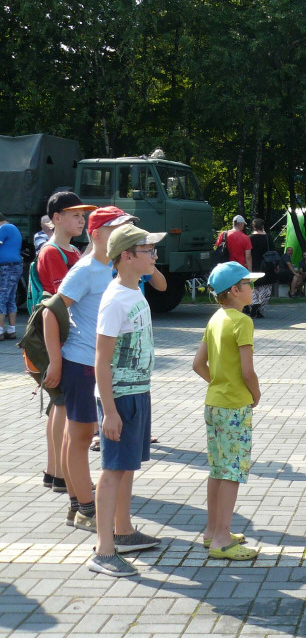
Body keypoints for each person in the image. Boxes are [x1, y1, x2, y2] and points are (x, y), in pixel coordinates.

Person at [46, 207, 138, 532]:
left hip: (101, 366)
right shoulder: (85, 270)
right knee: (81, 435)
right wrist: (56, 362)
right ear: (97, 236)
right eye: (117, 229)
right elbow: (50, 313)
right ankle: (84, 507)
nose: (125, 235)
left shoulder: (117, 268)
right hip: (81, 365)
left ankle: (78, 505)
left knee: (80, 435)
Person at [89, 224, 166, 577]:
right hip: (120, 397)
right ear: (127, 256)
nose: (154, 255)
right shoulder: (116, 299)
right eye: (148, 250)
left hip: (137, 391)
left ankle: (123, 531)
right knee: (112, 471)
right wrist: (109, 411)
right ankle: (104, 551)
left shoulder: (134, 290)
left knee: (127, 467)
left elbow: (160, 284)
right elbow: (101, 360)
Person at [191, 261, 263, 561]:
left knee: (218, 469)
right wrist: (255, 394)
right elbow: (248, 371)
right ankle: (222, 538)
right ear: (235, 291)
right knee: (232, 471)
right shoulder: (242, 322)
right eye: (249, 284)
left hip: (214, 402)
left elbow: (198, 364)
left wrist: (219, 383)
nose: (253, 289)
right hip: (234, 405)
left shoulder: (216, 318)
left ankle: (212, 531)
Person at [38, 192, 97, 493]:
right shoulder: (52, 253)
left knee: (58, 406)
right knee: (61, 406)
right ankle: (61, 474)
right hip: (57, 342)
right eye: (74, 214)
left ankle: (55, 471)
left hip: (64, 340)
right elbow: (62, 304)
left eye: (83, 215)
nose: (81, 219)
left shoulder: (71, 251)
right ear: (55, 218)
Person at [0, 212, 21, 342]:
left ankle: (0, 331)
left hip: (7, 267)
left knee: (1, 297)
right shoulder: (13, 227)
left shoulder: (4, 228)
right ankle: (11, 330)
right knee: (10, 298)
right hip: (15, 266)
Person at [249, 219, 270, 318]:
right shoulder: (267, 237)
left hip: (253, 265)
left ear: (253, 226)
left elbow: (248, 253)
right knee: (265, 288)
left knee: (254, 287)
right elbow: (273, 251)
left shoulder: (250, 238)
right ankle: (260, 309)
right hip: (266, 266)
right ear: (262, 226)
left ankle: (254, 303)